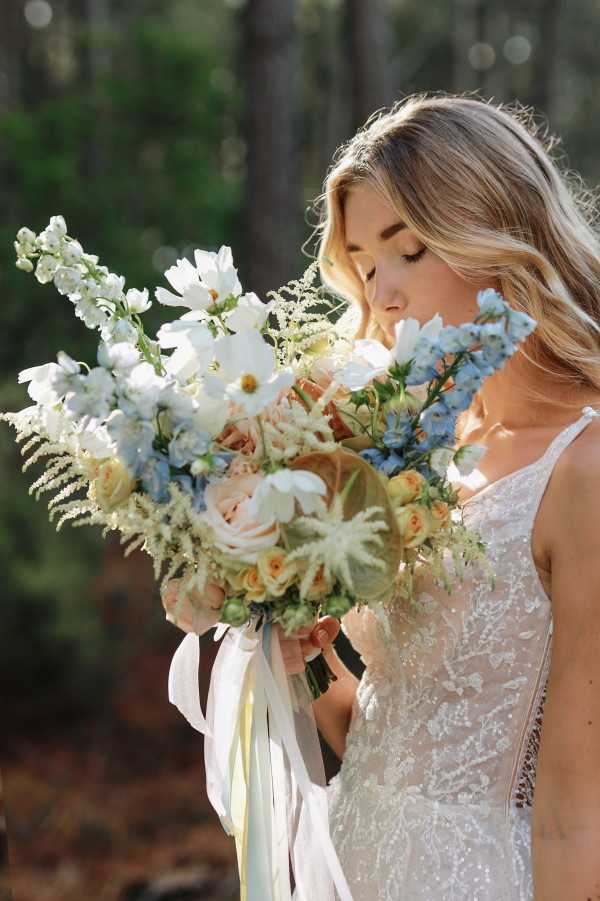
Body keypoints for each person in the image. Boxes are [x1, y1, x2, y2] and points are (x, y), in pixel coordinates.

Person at [163, 92, 600, 899]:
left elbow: (580, 814)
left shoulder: (584, 471)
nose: (382, 293)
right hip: (352, 864)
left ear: (498, 234)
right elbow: (380, 730)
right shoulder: (426, 458)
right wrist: (290, 644)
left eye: (409, 249)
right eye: (365, 264)